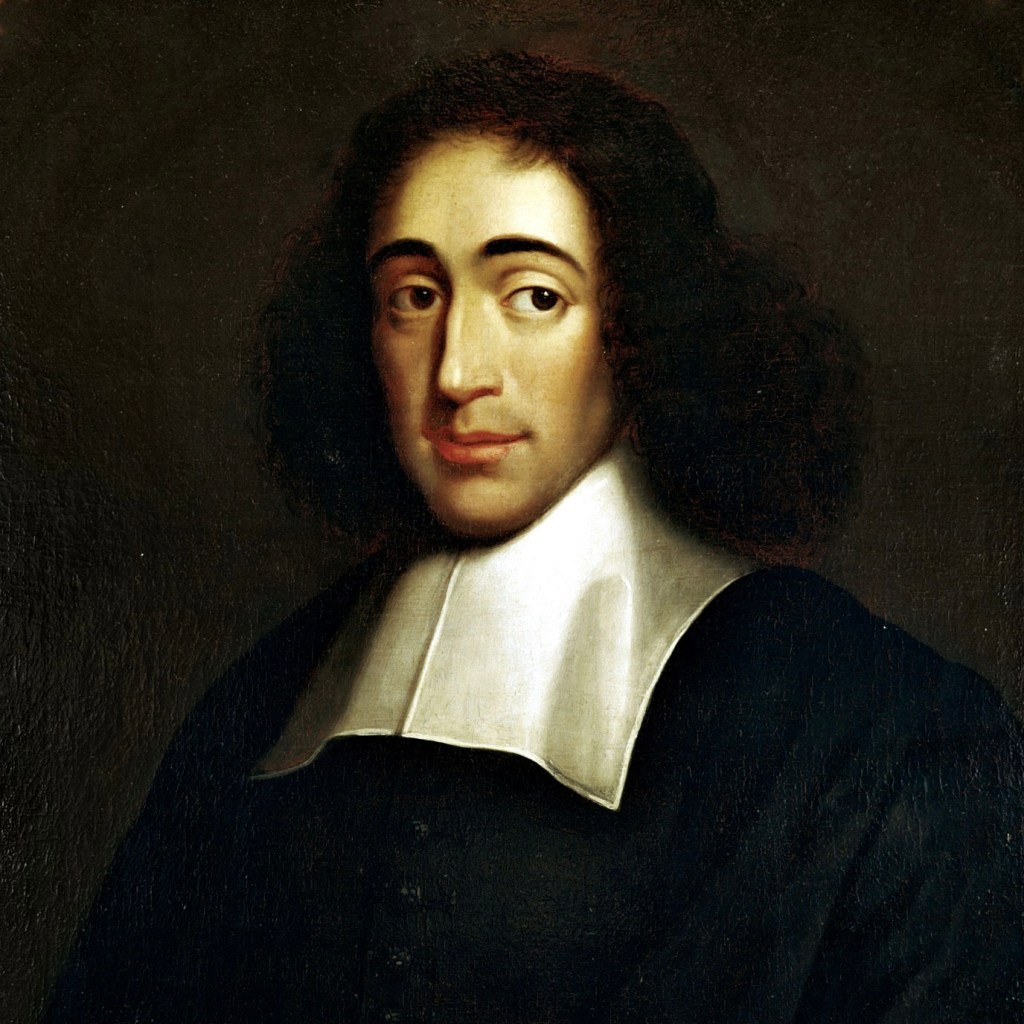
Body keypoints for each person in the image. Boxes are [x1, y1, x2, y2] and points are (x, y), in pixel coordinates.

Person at [46, 52, 1023, 1023]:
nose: (456, 373)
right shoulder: (263, 709)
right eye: (415, 297)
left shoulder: (885, 726)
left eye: (534, 296)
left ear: (638, 327)